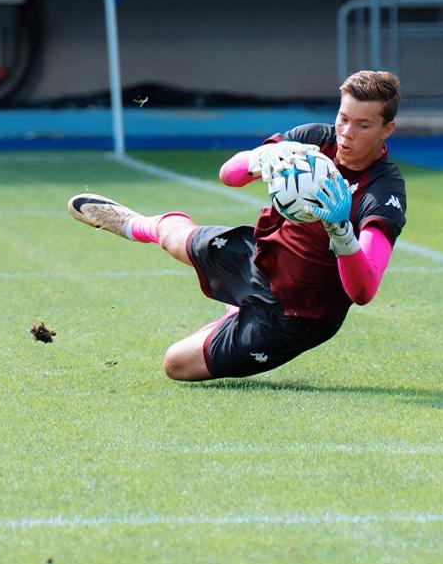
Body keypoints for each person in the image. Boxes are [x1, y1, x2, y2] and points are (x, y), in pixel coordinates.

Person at [67, 70, 407, 381]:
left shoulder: (383, 189)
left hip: (296, 315)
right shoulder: (314, 141)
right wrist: (261, 158)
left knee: (176, 364)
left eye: (363, 125)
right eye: (343, 119)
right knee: (174, 240)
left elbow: (363, 292)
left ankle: (234, 316)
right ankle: (134, 223)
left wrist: (340, 231)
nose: (346, 134)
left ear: (386, 129)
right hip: (259, 256)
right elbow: (228, 175)